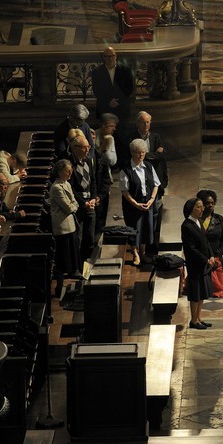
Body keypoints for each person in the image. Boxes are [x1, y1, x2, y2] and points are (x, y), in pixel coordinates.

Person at [121, 138, 161, 267]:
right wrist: (135, 204)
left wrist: (151, 199)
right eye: (138, 153)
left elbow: (156, 184)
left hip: (147, 203)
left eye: (143, 152)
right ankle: (135, 253)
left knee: (146, 228)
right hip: (133, 205)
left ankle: (142, 252)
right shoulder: (126, 169)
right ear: (132, 152)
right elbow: (124, 191)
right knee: (135, 228)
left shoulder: (148, 166)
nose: (141, 155)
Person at [182, 196, 218, 329]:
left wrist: (212, 255)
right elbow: (191, 249)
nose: (202, 209)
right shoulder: (187, 226)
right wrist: (205, 259)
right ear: (191, 209)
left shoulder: (199, 221)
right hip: (195, 265)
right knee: (195, 294)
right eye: (198, 206)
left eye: (202, 206)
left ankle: (198, 317)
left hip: (204, 264)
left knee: (202, 293)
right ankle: (193, 321)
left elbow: (206, 241)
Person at [46, 158, 79, 301]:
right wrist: (73, 206)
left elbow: (75, 203)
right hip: (62, 228)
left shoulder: (67, 184)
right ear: (60, 172)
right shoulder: (56, 188)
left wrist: (74, 206)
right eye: (67, 170)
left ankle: (66, 287)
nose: (70, 172)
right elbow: (69, 207)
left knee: (70, 257)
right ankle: (59, 288)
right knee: (61, 260)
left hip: (70, 226)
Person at [68, 134, 100, 263]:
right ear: (75, 148)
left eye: (88, 147)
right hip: (78, 205)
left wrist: (93, 198)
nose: (87, 150)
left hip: (89, 204)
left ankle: (87, 262)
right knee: (78, 237)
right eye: (84, 148)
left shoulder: (87, 161)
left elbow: (93, 182)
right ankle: (77, 265)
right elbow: (71, 188)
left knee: (90, 236)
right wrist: (83, 202)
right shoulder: (69, 164)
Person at [198, 189, 223, 297]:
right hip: (201, 259)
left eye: (212, 203)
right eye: (207, 203)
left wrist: (217, 256)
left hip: (216, 259)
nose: (210, 205)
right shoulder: (196, 221)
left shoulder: (219, 219)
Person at [91, 45, 134, 121]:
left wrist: (118, 101)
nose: (110, 58)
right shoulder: (96, 72)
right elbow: (96, 91)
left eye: (112, 56)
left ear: (116, 56)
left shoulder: (126, 70)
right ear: (103, 58)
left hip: (122, 109)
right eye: (107, 56)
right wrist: (109, 101)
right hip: (104, 108)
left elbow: (130, 88)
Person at [131, 108, 169, 190]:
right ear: (137, 124)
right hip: (139, 172)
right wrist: (154, 155)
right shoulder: (131, 138)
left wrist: (145, 156)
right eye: (143, 122)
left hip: (155, 172)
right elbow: (133, 156)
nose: (146, 125)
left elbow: (162, 156)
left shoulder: (155, 137)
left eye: (148, 122)